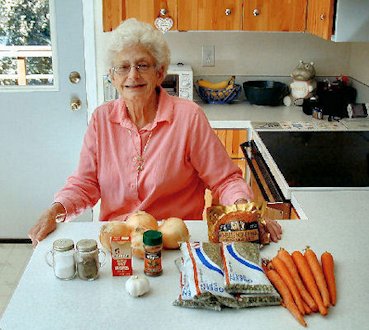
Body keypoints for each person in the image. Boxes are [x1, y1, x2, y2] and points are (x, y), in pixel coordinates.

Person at [28, 18, 281, 246]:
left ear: (159, 73)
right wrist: (55, 210)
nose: (132, 75)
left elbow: (225, 180)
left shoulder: (188, 118)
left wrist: (245, 211)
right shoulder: (101, 120)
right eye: (123, 67)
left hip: (175, 244)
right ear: (112, 77)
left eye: (142, 65)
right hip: (119, 244)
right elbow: (85, 184)